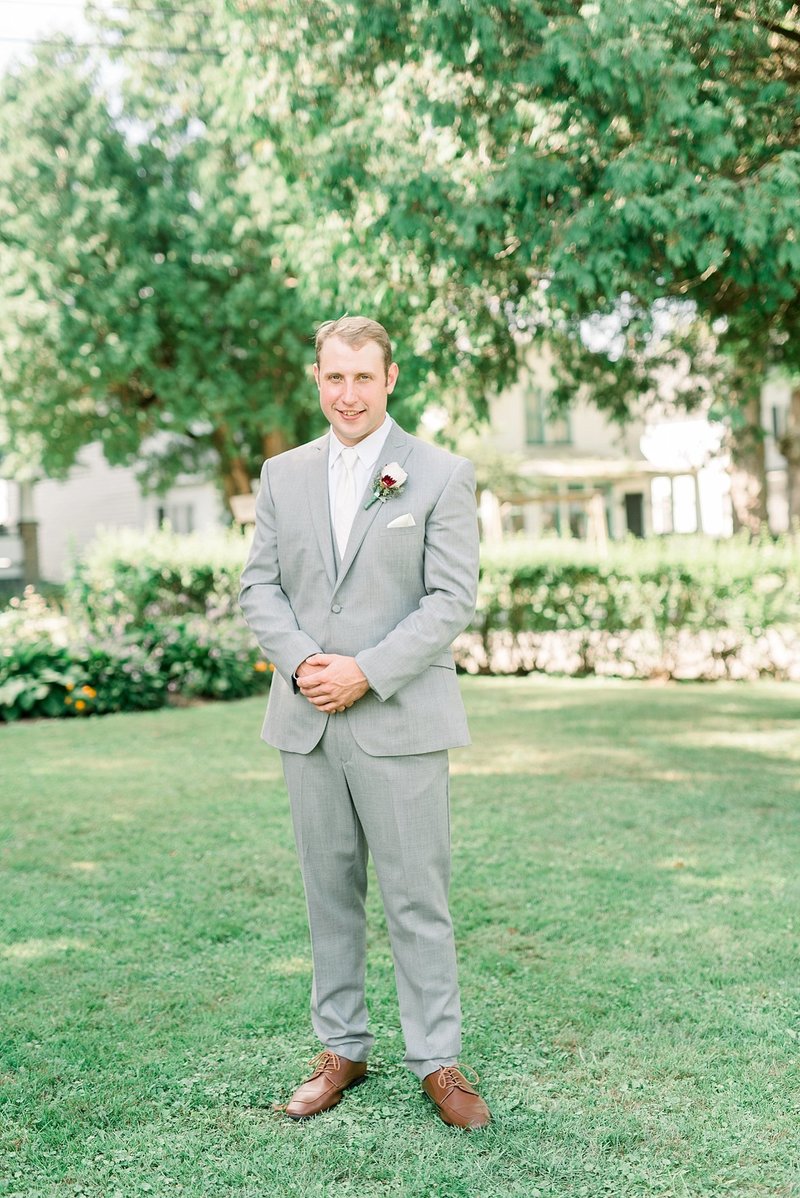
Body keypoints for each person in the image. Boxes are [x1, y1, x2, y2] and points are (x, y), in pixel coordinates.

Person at [239, 315, 490, 1130]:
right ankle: (341, 1047)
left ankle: (438, 1060)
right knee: (329, 895)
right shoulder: (281, 474)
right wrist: (305, 663)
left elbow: (450, 598)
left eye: (363, 377)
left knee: (418, 898)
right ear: (317, 378)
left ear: (390, 379)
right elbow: (259, 587)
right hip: (307, 718)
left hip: (401, 719)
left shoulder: (440, 474)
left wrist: (366, 671)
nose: (348, 394)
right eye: (334, 377)